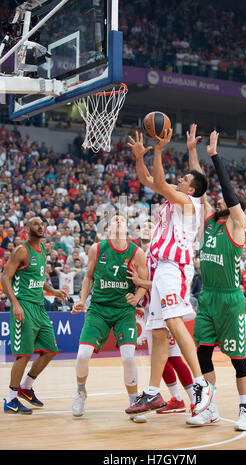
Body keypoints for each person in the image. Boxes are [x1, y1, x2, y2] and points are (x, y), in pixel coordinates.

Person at [125, 129, 212, 419]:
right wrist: (140, 158)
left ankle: (200, 385)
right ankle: (152, 392)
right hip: (162, 267)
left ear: (191, 190)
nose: (181, 179)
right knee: (158, 332)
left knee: (173, 323)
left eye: (185, 179)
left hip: (174, 267)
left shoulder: (189, 203)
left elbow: (160, 181)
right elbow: (147, 180)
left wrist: (158, 148)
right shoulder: (176, 200)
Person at [186, 125, 246, 431]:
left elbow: (226, 191)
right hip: (208, 297)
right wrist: (192, 151)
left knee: (238, 360)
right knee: (202, 355)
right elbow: (198, 188)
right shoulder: (210, 221)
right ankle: (209, 407)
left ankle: (245, 410)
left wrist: (215, 156)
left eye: (228, 199)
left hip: (230, 298)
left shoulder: (237, 224)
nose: (222, 201)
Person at [71, 214, 148, 417]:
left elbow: (144, 281)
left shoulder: (137, 253)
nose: (118, 221)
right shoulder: (97, 249)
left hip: (124, 310)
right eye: (114, 220)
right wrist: (82, 300)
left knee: (129, 357)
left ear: (128, 229)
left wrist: (137, 297)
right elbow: (88, 277)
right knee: (82, 356)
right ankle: (80, 392)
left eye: (121, 220)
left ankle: (134, 402)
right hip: (98, 309)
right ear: (107, 229)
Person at [127, 221, 196, 417]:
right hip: (150, 308)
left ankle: (194, 400)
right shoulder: (140, 254)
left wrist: (141, 285)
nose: (147, 228)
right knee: (157, 358)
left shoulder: (162, 253)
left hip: (166, 307)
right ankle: (177, 399)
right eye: (144, 226)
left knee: (173, 357)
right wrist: (137, 297)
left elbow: (162, 282)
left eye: (152, 225)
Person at [1, 216, 68, 414]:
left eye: (42, 224)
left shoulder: (42, 252)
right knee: (23, 354)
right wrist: (15, 304)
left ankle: (26, 387)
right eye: (36, 224)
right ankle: (11, 400)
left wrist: (53, 291)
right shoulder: (22, 250)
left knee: (51, 349)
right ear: (27, 228)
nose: (40, 226)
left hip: (39, 307)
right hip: (24, 306)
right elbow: (5, 277)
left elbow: (38, 279)